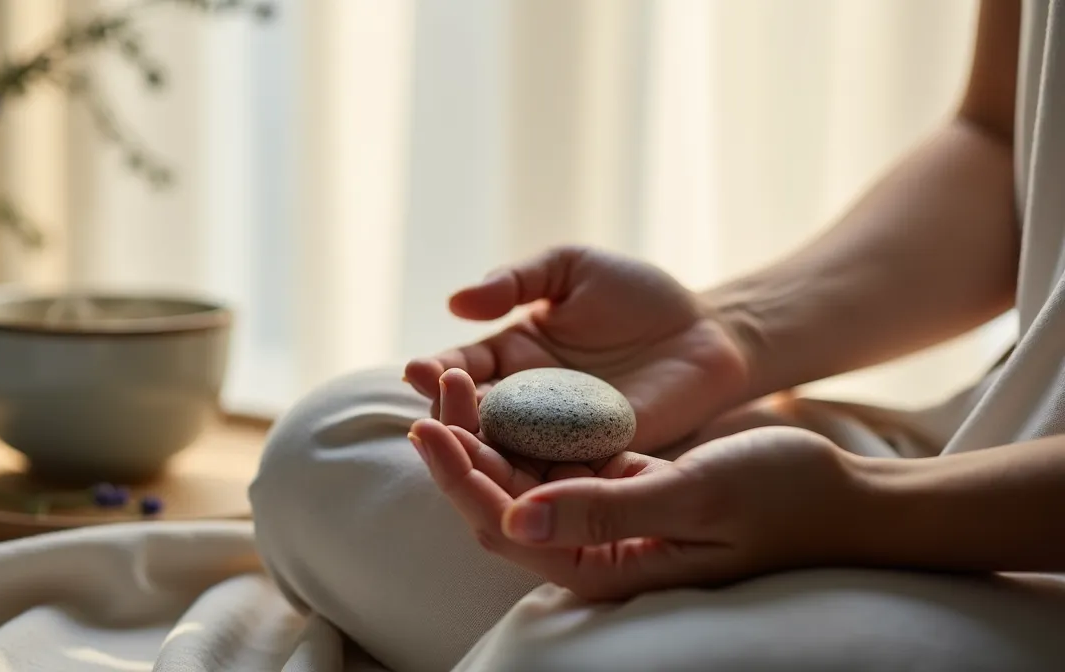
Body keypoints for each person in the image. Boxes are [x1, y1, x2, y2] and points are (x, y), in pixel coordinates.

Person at [251, 1, 1065, 669]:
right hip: (989, 434)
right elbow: (1005, 138)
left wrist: (859, 513)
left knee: (588, 658)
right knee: (335, 444)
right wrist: (734, 332)